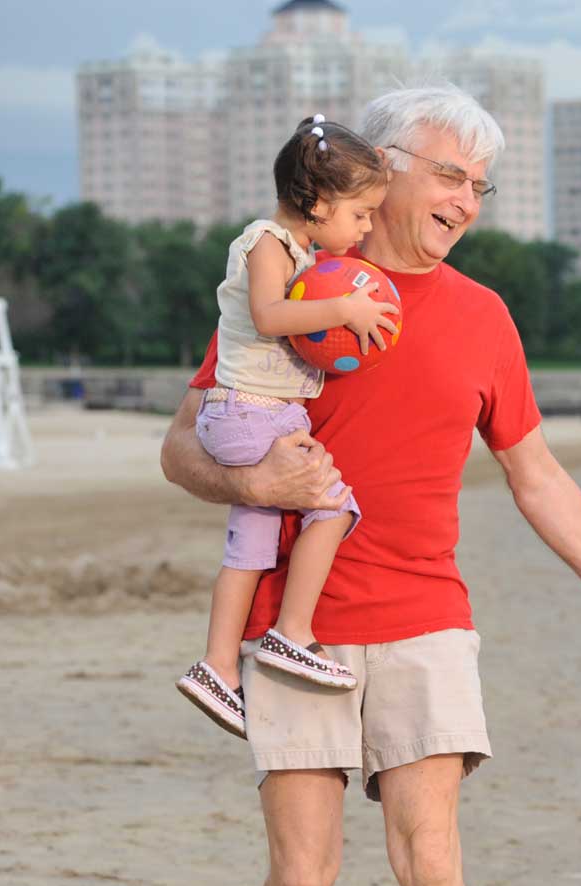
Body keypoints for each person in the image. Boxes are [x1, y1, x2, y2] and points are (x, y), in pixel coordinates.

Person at [160, 85, 581, 886]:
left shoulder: (482, 316)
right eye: (450, 177)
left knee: (433, 863)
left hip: (427, 616)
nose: (467, 202)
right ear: (383, 171)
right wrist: (247, 481)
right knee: (303, 876)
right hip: (300, 625)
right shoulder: (287, 283)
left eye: (481, 186)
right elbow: (182, 443)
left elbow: (535, 472)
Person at [175, 115, 400, 737]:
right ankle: (291, 634)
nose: (366, 228)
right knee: (333, 509)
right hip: (251, 412)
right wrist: (346, 307)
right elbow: (272, 315)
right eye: (359, 214)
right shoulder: (265, 242)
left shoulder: (297, 249)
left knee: (248, 548)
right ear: (319, 203)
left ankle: (218, 666)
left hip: (256, 412)